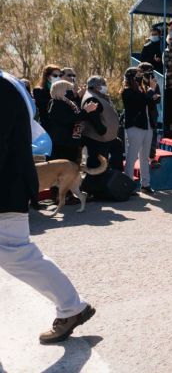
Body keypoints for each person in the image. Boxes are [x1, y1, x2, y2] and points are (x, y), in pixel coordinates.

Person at [0, 70, 96, 344]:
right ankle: (72, 307)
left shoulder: (3, 89)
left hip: (7, 188)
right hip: (10, 186)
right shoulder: (7, 85)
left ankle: (72, 306)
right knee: (18, 255)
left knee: (18, 255)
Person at [122, 67, 158, 194]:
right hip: (135, 127)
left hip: (147, 126)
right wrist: (151, 91)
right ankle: (128, 184)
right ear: (131, 76)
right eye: (138, 74)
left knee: (144, 157)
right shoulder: (126, 91)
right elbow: (139, 103)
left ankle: (145, 184)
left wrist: (153, 96)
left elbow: (149, 103)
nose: (140, 76)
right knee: (132, 157)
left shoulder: (142, 89)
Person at [46, 80, 98, 163]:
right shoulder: (57, 103)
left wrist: (80, 100)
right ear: (63, 91)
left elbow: (77, 114)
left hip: (69, 141)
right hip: (62, 143)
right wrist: (86, 110)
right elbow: (68, 119)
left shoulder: (68, 102)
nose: (74, 91)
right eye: (71, 89)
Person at [81, 75, 122, 173]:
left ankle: (109, 180)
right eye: (103, 84)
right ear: (96, 86)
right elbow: (93, 117)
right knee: (97, 165)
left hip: (106, 138)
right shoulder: (92, 98)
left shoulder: (98, 96)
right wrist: (102, 131)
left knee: (113, 153)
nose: (105, 86)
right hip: (98, 139)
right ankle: (93, 186)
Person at [137, 62, 162, 169]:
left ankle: (152, 158)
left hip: (152, 112)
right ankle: (141, 158)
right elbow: (141, 100)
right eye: (147, 72)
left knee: (154, 134)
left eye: (151, 72)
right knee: (141, 136)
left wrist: (154, 95)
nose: (150, 74)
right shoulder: (137, 84)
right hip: (140, 114)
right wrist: (151, 94)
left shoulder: (154, 82)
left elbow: (158, 99)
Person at [33, 65, 62, 134]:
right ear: (47, 76)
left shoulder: (62, 90)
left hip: (60, 127)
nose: (58, 78)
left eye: (60, 75)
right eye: (55, 75)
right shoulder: (38, 90)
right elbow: (44, 106)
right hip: (46, 126)